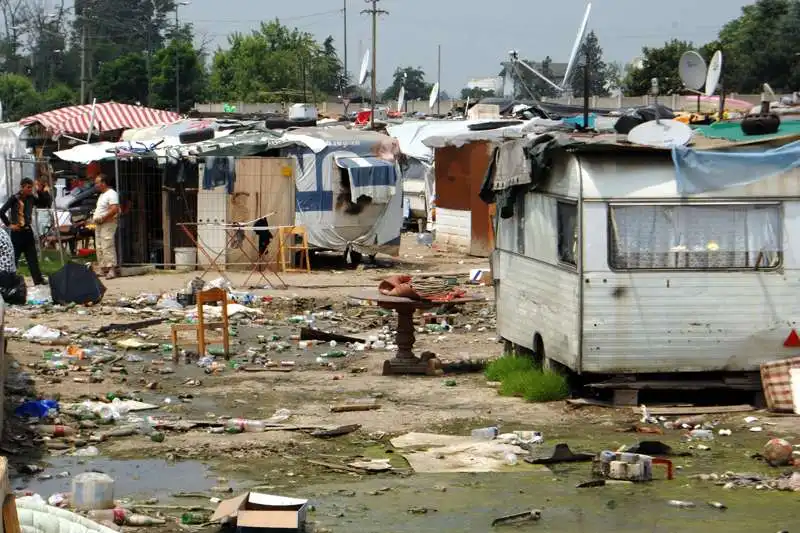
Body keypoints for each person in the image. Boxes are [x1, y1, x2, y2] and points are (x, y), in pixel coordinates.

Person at [0, 177, 52, 285]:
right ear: (22, 187)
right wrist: (9, 225)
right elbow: (1, 211)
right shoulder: (14, 198)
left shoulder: (31, 198)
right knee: (13, 258)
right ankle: (9, 280)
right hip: (17, 233)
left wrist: (40, 191)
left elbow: (45, 203)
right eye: (28, 187)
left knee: (32, 257)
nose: (29, 190)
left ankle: (38, 279)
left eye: (31, 188)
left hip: (27, 232)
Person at [92, 174, 120, 279]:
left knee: (107, 245)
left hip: (108, 223)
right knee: (99, 246)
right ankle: (104, 268)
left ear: (103, 183)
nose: (96, 185)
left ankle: (112, 269)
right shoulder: (102, 195)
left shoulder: (111, 194)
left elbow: (114, 209)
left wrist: (103, 218)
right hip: (99, 224)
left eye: (97, 183)